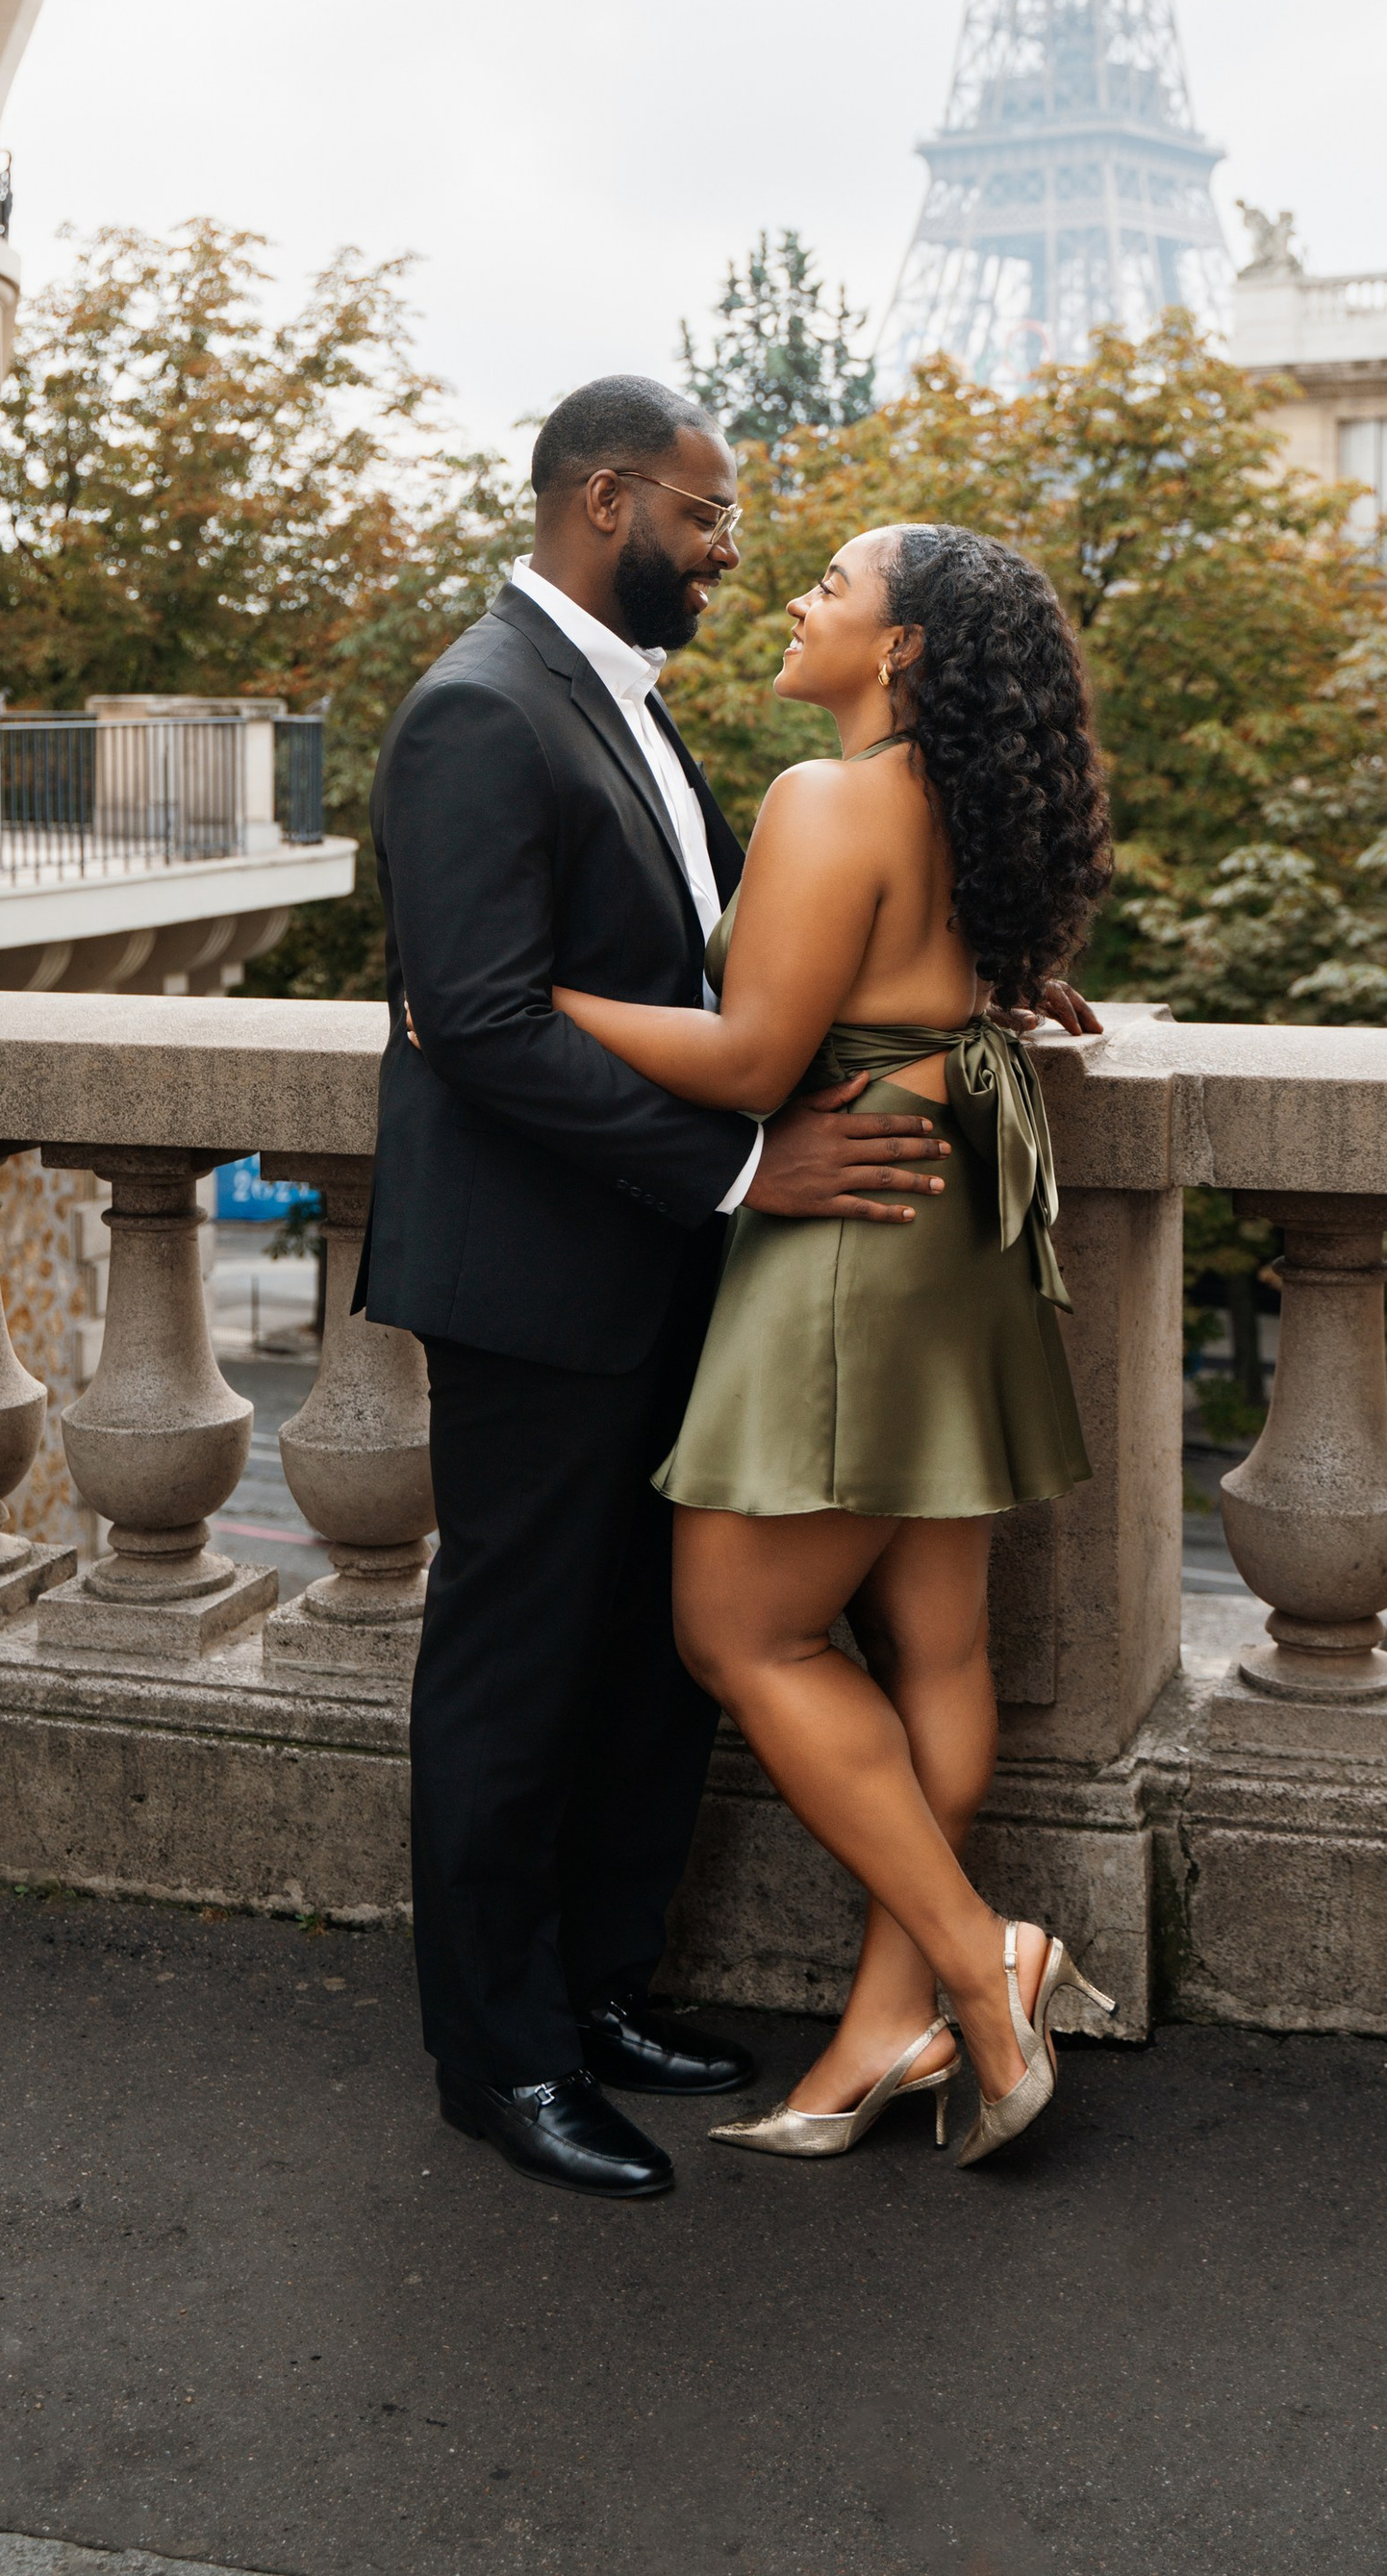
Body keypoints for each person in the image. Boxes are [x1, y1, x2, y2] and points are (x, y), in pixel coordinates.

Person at [362, 375, 956, 2202]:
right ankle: (502, 2055)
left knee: (642, 1662)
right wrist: (739, 1167)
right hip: (542, 1284)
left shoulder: (614, 707)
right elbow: (471, 1020)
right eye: (700, 518)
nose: (721, 552)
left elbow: (736, 973)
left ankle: (602, 1988)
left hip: (662, 1270)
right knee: (515, 1671)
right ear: (608, 500)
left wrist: (966, 999)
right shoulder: (477, 709)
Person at [549, 518, 1117, 2167]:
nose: (799, 598)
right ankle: (885, 2027)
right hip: (957, 1218)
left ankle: (977, 1962)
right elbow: (943, 989)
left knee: (740, 1628)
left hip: (852, 1235)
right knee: (934, 1643)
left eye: (835, 586)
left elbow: (747, 1060)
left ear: (904, 648)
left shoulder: (828, 796)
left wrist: (530, 1002)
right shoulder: (973, 806)